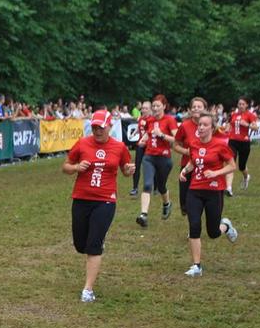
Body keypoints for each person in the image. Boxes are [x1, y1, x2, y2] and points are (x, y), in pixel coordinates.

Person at [62, 110, 134, 302]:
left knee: (93, 245)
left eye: (101, 127)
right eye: (94, 127)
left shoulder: (119, 147)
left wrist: (129, 170)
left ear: (109, 126)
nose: (97, 131)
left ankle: (88, 289)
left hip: (105, 200)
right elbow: (65, 166)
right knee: (81, 245)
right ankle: (96, 242)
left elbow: (126, 170)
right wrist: (76, 167)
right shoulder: (82, 143)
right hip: (81, 199)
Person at [175, 112, 239, 277]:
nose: (201, 127)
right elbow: (194, 161)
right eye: (200, 125)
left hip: (214, 192)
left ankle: (226, 226)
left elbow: (232, 166)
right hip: (195, 190)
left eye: (205, 125)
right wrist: (184, 171)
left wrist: (216, 173)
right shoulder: (194, 144)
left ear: (212, 127)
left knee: (213, 233)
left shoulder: (220, 145)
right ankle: (197, 266)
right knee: (194, 226)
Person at [136, 94, 178, 227]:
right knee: (147, 185)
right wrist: (143, 140)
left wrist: (162, 135)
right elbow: (148, 134)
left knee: (161, 186)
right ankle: (143, 215)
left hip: (164, 158)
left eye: (158, 106)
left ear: (164, 106)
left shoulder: (170, 120)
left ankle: (167, 203)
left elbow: (177, 139)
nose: (155, 108)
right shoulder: (150, 120)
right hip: (149, 157)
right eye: (153, 106)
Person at [174, 97, 208, 215]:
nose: (196, 109)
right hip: (187, 166)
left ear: (205, 109)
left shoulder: (210, 126)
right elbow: (175, 145)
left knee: (200, 199)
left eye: (199, 107)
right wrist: (187, 152)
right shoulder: (185, 126)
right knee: (185, 202)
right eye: (194, 107)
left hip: (205, 167)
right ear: (190, 110)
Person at [225, 97, 258, 194]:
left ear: (247, 105)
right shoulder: (233, 114)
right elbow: (229, 124)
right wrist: (227, 128)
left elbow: (256, 127)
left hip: (244, 143)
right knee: (231, 163)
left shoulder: (250, 115)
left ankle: (246, 177)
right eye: (239, 104)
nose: (241, 106)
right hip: (232, 142)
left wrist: (247, 125)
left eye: (243, 104)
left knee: (242, 166)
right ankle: (229, 188)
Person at [130, 100, 152, 196]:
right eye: (143, 108)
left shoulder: (152, 120)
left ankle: (155, 187)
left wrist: (145, 141)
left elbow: (150, 133)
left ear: (150, 109)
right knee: (137, 165)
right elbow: (139, 127)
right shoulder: (140, 118)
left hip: (149, 146)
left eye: (146, 108)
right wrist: (133, 133)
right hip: (140, 145)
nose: (144, 110)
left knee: (150, 166)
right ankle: (135, 188)